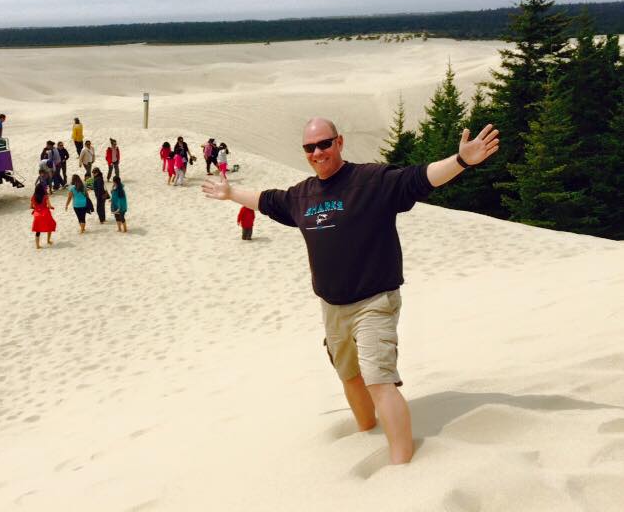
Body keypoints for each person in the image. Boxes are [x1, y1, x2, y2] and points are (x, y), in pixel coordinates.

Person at [201, 117, 500, 464]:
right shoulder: (302, 195)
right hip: (332, 307)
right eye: (310, 147)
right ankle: (366, 433)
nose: (318, 152)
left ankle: (404, 468)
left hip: (374, 300)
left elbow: (418, 178)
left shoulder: (370, 180)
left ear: (339, 142)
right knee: (349, 375)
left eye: (324, 144)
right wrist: (230, 193)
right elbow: (269, 201)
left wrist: (461, 161)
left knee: (378, 378)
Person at [30, 182, 56, 248]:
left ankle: (37, 245)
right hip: (46, 213)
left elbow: (31, 207)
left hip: (37, 215)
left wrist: (36, 208)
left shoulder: (33, 197)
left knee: (38, 230)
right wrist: (52, 207)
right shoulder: (45, 196)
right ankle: (48, 240)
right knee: (50, 226)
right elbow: (49, 206)